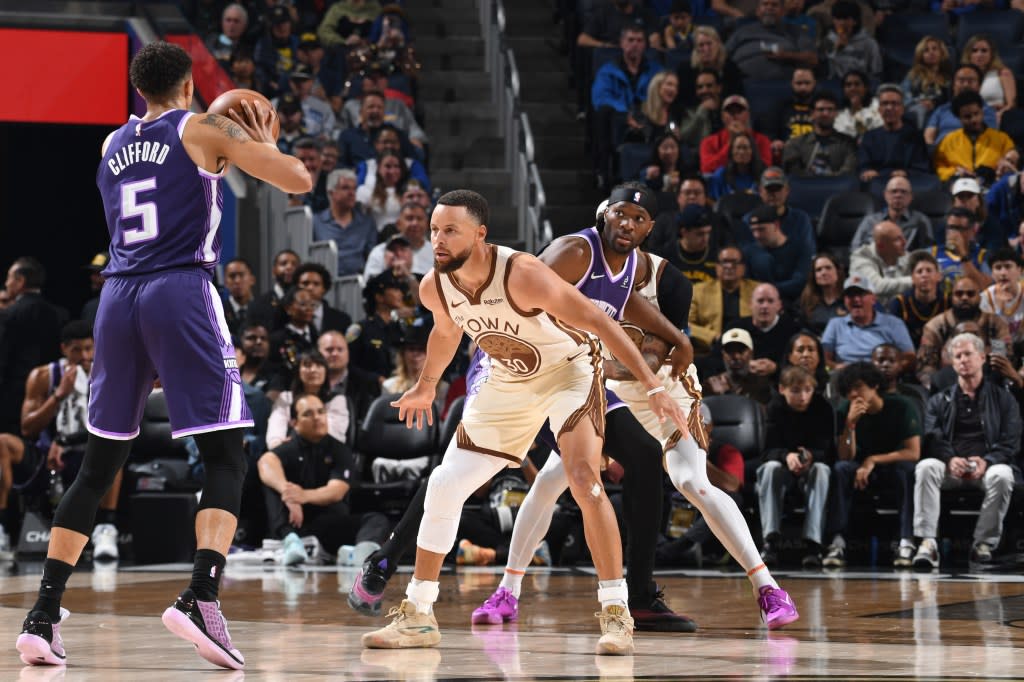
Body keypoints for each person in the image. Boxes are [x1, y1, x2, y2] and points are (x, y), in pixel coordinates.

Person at [15, 41, 312, 671]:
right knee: (228, 452)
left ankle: (41, 615)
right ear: (187, 86)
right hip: (180, 288)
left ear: (137, 88)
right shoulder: (202, 127)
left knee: (97, 466)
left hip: (116, 299)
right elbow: (298, 180)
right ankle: (202, 595)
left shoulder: (110, 145)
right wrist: (252, 135)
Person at [350, 190, 702, 634]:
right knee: (444, 482)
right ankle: (419, 614)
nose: (437, 240)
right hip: (509, 377)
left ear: (480, 235)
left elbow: (599, 320)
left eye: (450, 231)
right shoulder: (433, 284)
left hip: (568, 371)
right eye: (435, 230)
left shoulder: (525, 274)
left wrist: (652, 385)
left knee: (582, 479)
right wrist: (424, 386)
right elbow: (445, 332)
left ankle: (617, 614)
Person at [0, 322, 121, 561]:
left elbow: (114, 424)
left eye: (89, 349)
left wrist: (65, 440)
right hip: (46, 455)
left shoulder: (108, 374)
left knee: (115, 448)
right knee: (3, 442)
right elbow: (27, 427)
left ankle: (106, 529)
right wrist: (58, 395)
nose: (85, 356)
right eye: (77, 350)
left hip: (87, 452)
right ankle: (1, 529)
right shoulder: (43, 376)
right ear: (64, 349)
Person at [911, 333, 1020, 568]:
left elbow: (1010, 441)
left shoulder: (1003, 399)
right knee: (926, 467)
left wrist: (987, 461)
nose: (962, 360)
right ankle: (927, 542)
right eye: (957, 356)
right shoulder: (939, 400)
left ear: (982, 357)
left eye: (967, 354)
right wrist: (950, 459)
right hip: (952, 468)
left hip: (985, 467)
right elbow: (933, 436)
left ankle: (983, 543)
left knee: (1003, 474)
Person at [258, 394, 389, 566]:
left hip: (328, 524)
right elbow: (265, 462)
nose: (317, 417)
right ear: (294, 423)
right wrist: (286, 492)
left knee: (377, 519)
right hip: (294, 523)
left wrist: (302, 495)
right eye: (308, 414)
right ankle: (291, 542)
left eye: (321, 412)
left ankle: (361, 554)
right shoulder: (289, 447)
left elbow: (337, 491)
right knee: (272, 482)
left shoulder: (339, 450)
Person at [824, 362, 921, 569]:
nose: (853, 394)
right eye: (848, 390)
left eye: (858, 387)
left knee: (906, 471)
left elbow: (913, 453)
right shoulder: (845, 409)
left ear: (874, 385)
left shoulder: (902, 406)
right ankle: (837, 541)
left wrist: (872, 460)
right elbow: (845, 456)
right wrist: (850, 425)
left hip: (892, 465)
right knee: (840, 470)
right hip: (859, 469)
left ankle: (906, 540)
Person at [757, 366, 834, 567]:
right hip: (783, 468)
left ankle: (813, 545)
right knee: (769, 468)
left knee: (822, 470)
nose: (803, 397)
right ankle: (770, 541)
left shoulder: (823, 407)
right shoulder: (775, 407)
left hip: (811, 467)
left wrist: (810, 456)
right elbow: (766, 451)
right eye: (796, 391)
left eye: (808, 390)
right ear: (782, 389)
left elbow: (828, 451)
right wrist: (786, 455)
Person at [0, 258, 68, 434]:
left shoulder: (9, 315)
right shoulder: (59, 314)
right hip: (50, 391)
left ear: (20, 281)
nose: (6, 283)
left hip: (12, 395)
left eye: (9, 278)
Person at [916, 277, 1012, 390]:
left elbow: (1003, 359)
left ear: (980, 298)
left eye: (970, 294)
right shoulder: (936, 326)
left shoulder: (995, 324)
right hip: (947, 383)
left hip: (989, 381)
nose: (964, 297)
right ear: (952, 297)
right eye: (959, 294)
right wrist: (935, 389)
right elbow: (926, 366)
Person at [821, 275, 915, 370]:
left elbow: (909, 357)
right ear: (845, 301)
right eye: (851, 295)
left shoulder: (894, 323)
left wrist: (891, 369)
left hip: (882, 376)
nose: (856, 299)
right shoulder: (835, 324)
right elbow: (823, 359)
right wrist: (837, 367)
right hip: (845, 376)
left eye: (861, 294)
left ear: (873, 299)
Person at [266, 350, 349, 449]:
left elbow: (335, 434)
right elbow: (275, 429)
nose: (313, 370)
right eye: (307, 365)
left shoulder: (336, 400)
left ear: (326, 371)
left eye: (319, 365)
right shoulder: (286, 398)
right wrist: (277, 446)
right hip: (289, 452)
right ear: (298, 371)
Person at [933, 91, 1017, 186]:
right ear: (959, 118)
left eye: (976, 114)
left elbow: (1012, 159)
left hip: (992, 185)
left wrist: (1005, 164)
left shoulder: (1001, 138)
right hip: (959, 188)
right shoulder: (948, 141)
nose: (974, 119)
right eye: (967, 117)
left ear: (982, 111)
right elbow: (939, 167)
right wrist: (954, 172)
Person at [723, 0, 818, 82]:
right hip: (742, 82)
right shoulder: (742, 31)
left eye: (774, 5)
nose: (769, 8)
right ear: (757, 11)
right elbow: (723, 55)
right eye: (765, 4)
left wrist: (787, 55)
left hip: (783, 84)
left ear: (783, 11)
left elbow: (813, 60)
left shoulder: (796, 32)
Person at [857, 84, 932, 185]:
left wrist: (906, 173)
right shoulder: (869, 137)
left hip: (908, 184)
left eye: (894, 103)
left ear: (902, 109)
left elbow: (922, 167)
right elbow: (863, 166)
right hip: (877, 183)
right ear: (879, 109)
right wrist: (866, 171)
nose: (889, 108)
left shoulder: (915, 137)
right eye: (885, 103)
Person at [689, 246, 758, 354]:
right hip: (709, 351)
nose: (729, 266)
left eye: (734, 262)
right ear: (716, 266)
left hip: (750, 350)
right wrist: (713, 337)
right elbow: (685, 324)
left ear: (743, 267)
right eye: (724, 262)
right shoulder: (698, 291)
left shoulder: (757, 291)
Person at [313, 169, 378, 277]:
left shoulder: (367, 223)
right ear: (331, 192)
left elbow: (371, 258)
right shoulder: (316, 222)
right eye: (345, 188)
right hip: (324, 282)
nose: (352, 193)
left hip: (358, 283)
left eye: (354, 189)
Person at [741, 205, 812, 303]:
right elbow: (746, 284)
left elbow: (800, 282)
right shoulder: (748, 252)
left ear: (776, 225)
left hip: (793, 303)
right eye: (753, 230)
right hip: (760, 304)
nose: (757, 235)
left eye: (761, 229)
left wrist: (767, 290)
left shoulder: (800, 248)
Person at [781, 91, 857, 178]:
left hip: (839, 189)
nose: (825, 113)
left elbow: (848, 172)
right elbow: (793, 174)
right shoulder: (795, 144)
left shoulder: (848, 143)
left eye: (830, 109)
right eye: (821, 109)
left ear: (836, 113)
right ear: (812, 114)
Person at [850, 176, 934, 251]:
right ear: (885, 195)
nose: (898, 195)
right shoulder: (870, 221)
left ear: (911, 197)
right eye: (894, 191)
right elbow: (855, 248)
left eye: (903, 192)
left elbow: (928, 252)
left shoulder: (921, 221)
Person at [924, 63, 999, 146]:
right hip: (942, 152)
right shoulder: (942, 109)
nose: (965, 84)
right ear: (953, 85)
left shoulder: (987, 110)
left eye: (971, 81)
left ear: (979, 86)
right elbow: (929, 134)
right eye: (961, 80)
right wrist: (931, 150)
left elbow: (988, 138)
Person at [888, 251, 951, 348]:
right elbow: (892, 338)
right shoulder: (899, 304)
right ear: (912, 278)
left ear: (939, 276)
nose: (924, 275)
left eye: (929, 270)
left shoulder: (949, 302)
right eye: (919, 271)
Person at [317, 330, 379, 423]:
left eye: (340, 349)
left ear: (348, 353)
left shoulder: (367, 383)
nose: (335, 354)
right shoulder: (307, 382)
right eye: (329, 350)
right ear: (318, 353)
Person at [849, 220, 912, 304]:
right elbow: (876, 286)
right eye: (897, 239)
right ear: (880, 246)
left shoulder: (904, 255)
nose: (904, 242)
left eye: (902, 237)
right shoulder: (860, 258)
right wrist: (915, 281)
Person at [705, 328, 774, 405]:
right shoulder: (711, 385)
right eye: (730, 351)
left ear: (751, 353)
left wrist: (725, 395)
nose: (736, 356)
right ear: (723, 354)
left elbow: (754, 413)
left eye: (741, 350)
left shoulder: (761, 385)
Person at [363, 203, 432, 279]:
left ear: (427, 224)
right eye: (409, 218)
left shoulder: (437, 253)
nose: (415, 223)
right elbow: (369, 286)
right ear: (398, 224)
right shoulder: (380, 252)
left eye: (419, 219)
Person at [960, 35, 1017, 121]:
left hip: (997, 115)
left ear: (991, 54)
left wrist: (1001, 113)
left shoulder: (1003, 73)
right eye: (974, 51)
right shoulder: (962, 75)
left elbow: (1011, 104)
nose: (979, 54)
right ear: (969, 54)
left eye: (984, 51)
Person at [821, 0, 881, 82]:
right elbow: (825, 69)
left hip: (862, 83)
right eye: (838, 19)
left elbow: (876, 70)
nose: (842, 23)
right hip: (835, 82)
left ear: (855, 21)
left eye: (846, 19)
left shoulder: (869, 43)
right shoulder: (828, 40)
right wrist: (837, 50)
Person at [901, 36, 951, 130]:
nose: (931, 52)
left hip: (939, 112)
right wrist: (918, 102)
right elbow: (902, 95)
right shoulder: (913, 75)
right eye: (926, 50)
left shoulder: (947, 78)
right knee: (922, 110)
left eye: (934, 49)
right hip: (918, 110)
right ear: (921, 55)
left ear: (941, 53)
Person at [293, 262, 351, 334]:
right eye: (305, 283)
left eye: (316, 284)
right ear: (296, 286)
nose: (310, 288)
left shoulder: (342, 319)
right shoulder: (288, 317)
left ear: (324, 288)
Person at [980, 248, 1024, 341]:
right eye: (998, 268)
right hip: (997, 347)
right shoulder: (985, 297)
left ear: (1020, 270)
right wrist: (999, 311)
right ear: (992, 273)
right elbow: (986, 334)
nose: (1003, 273)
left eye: (1008, 267)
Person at [798, 253, 846, 335]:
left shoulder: (848, 299)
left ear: (838, 271)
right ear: (814, 276)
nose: (824, 273)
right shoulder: (806, 302)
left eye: (828, 268)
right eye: (818, 270)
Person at [708, 132, 764, 200]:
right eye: (738, 148)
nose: (741, 152)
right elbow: (712, 201)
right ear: (731, 151)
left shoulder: (763, 174)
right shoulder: (720, 175)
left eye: (745, 148)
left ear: (752, 151)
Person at [834, 69, 882, 141]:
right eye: (848, 85)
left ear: (865, 88)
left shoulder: (877, 105)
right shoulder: (839, 111)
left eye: (857, 84)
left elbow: (870, 132)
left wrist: (858, 111)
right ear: (843, 89)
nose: (853, 88)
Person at [221, 258, 256, 336]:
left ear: (252, 280)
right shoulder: (217, 311)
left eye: (242, 275)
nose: (237, 281)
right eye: (232, 276)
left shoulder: (263, 309)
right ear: (225, 282)